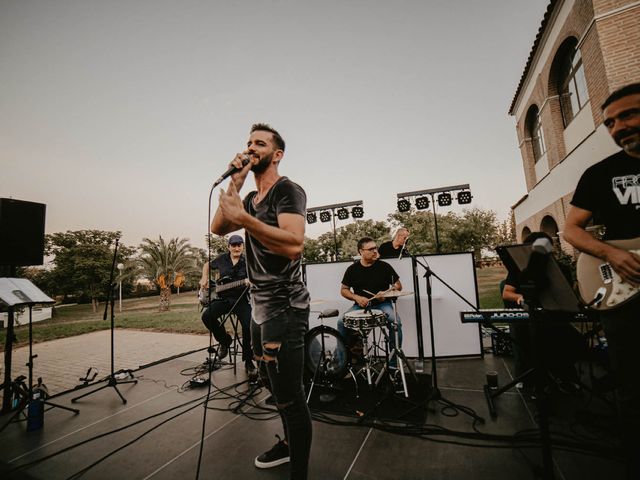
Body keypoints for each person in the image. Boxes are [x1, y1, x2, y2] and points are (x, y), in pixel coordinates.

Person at [211, 123, 311, 479]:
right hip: (260, 307)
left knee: (291, 398)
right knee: (271, 383)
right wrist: (235, 186)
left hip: (285, 306)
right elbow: (219, 227)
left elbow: (294, 243)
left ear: (277, 154)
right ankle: (288, 443)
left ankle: (299, 470)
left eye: (260, 143)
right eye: (248, 142)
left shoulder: (287, 191)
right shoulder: (250, 199)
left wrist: (245, 221)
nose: (251, 148)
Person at [563, 82, 640, 479]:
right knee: (632, 385)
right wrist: (612, 253)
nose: (619, 126)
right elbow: (572, 230)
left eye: (628, 114)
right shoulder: (600, 174)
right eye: (611, 121)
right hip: (626, 291)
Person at [338, 237, 403, 367]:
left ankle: (393, 363)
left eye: (375, 248)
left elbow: (398, 286)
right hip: (360, 306)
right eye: (371, 249)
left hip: (383, 305)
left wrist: (385, 294)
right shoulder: (352, 269)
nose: (375, 251)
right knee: (341, 322)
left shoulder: (384, 266)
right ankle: (343, 362)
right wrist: (357, 297)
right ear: (361, 251)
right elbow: (344, 290)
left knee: (396, 322)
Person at [199, 234, 255, 376]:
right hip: (224, 299)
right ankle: (225, 340)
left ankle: (249, 361)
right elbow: (207, 265)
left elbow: (258, 276)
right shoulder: (222, 259)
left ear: (242, 246)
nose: (237, 248)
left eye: (239, 245)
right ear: (229, 247)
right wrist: (204, 276)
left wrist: (252, 281)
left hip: (241, 300)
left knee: (248, 327)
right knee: (207, 316)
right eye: (234, 245)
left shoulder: (248, 261)